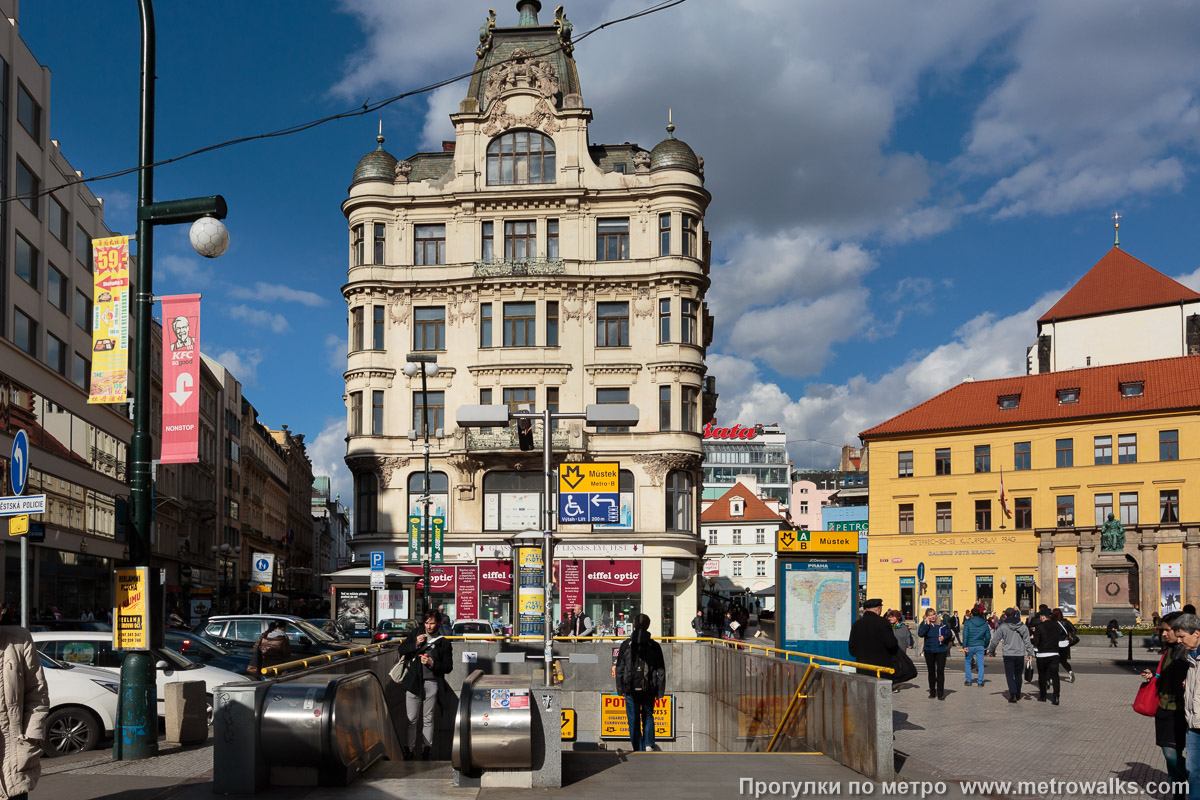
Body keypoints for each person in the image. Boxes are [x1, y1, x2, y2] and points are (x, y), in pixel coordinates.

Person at [395, 610, 453, 760]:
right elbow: (401, 650)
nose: (429, 626)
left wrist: (433, 663)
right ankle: (409, 750)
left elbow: (448, 667)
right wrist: (415, 643)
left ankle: (426, 749)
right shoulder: (417, 633)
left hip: (432, 683)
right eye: (426, 623)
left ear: (439, 623)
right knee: (411, 719)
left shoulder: (443, 643)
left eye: (432, 623)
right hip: (413, 682)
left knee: (428, 719)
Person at [0, 624, 48, 799]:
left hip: (13, 755)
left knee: (14, 793)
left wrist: (31, 737)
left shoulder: (19, 639)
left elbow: (37, 693)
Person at [1145, 611, 1187, 799]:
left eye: (1166, 630)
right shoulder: (1168, 650)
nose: (1163, 634)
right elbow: (1166, 673)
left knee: (1172, 755)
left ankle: (1193, 777)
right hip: (1165, 709)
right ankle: (1178, 794)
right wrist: (1153, 675)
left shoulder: (1189, 650)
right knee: (1169, 755)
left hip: (1183, 710)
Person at [614, 613, 665, 752]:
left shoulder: (626, 645)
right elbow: (661, 670)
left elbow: (619, 668)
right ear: (648, 626)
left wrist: (620, 689)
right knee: (648, 715)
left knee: (633, 720)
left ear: (634, 625)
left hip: (630, 688)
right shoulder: (654, 646)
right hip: (649, 687)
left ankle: (638, 748)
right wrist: (660, 692)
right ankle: (648, 744)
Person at [987, 607, 1034, 703]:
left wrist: (991, 650)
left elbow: (995, 640)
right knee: (1018, 675)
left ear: (1006, 616)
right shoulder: (1023, 627)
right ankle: (1018, 693)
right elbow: (1027, 641)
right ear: (1016, 615)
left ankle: (1012, 694)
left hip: (1008, 654)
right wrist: (1030, 652)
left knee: (1009, 675)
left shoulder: (1003, 627)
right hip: (1020, 653)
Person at [847, 599, 898, 677]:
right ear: (878, 609)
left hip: (862, 668)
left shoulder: (857, 624)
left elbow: (852, 649)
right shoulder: (883, 623)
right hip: (882, 669)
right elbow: (891, 645)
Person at [1030, 608, 1062, 705]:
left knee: (1042, 676)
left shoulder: (1039, 627)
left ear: (1043, 617)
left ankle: (1043, 696)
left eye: (1040, 616)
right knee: (1055, 676)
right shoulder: (1057, 626)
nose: (1040, 618)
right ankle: (1056, 697)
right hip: (1054, 654)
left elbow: (1036, 642)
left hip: (1042, 655)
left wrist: (1032, 638)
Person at [917, 608, 951, 699]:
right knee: (931, 672)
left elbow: (949, 634)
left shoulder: (942, 623)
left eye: (933, 614)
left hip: (941, 650)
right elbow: (920, 634)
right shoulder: (924, 624)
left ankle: (940, 692)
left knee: (940, 671)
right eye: (930, 615)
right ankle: (932, 691)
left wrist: (944, 637)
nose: (932, 617)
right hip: (929, 651)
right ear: (927, 616)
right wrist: (927, 625)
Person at [961, 604, 991, 687]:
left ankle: (968, 680)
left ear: (971, 614)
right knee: (980, 664)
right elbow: (988, 636)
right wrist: (985, 644)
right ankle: (980, 681)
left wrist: (964, 646)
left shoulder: (967, 622)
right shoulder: (984, 623)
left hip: (969, 645)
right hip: (980, 645)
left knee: (967, 662)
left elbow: (965, 635)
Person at [1051, 608, 1077, 682]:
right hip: (1065, 644)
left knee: (1054, 661)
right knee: (1063, 661)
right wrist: (1069, 635)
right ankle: (1070, 672)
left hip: (1056, 644)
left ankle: (1053, 677)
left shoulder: (1052, 623)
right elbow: (1074, 630)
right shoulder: (1066, 622)